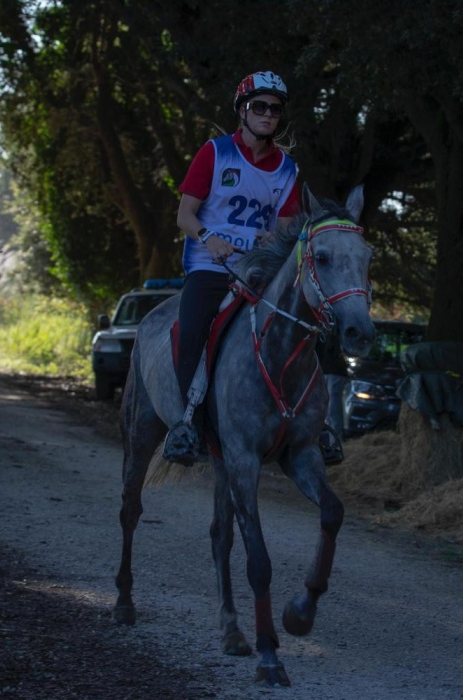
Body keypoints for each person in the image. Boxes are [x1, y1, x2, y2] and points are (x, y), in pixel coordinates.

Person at [164, 70, 300, 465]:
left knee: (306, 319)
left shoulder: (287, 169)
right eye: (259, 106)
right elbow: (184, 215)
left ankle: (314, 427)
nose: (268, 114)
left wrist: (273, 240)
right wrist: (210, 238)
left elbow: (287, 229)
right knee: (191, 330)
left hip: (259, 271)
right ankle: (185, 424)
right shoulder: (215, 152)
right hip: (210, 265)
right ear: (242, 110)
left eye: (275, 109)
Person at [316, 333, 349, 465]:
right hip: (329, 370)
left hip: (332, 371)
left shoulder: (330, 327)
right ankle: (331, 443)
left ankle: (334, 444)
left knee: (331, 409)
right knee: (328, 409)